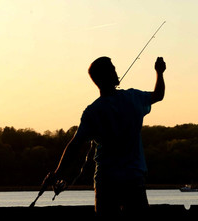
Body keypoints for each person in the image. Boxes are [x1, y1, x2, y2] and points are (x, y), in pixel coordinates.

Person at [52, 56, 166, 218]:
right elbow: (158, 95)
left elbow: (74, 145)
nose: (116, 71)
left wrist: (58, 173)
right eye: (112, 68)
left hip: (106, 180)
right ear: (107, 75)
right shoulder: (133, 98)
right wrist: (159, 72)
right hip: (133, 178)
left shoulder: (92, 111)